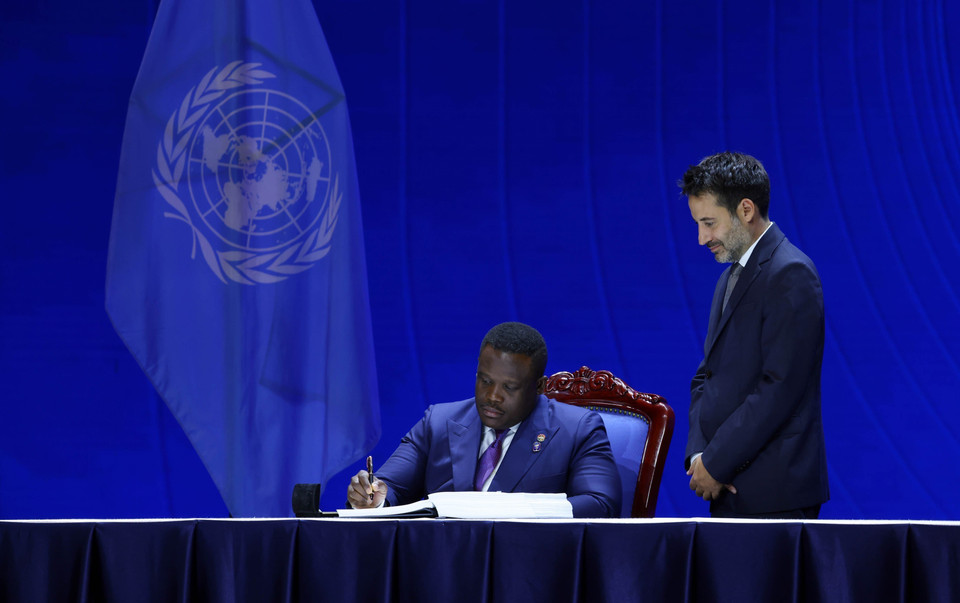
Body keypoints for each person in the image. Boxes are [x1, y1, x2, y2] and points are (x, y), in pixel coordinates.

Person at [679, 152, 829, 518]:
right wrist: (701, 457)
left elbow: (780, 386)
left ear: (746, 210)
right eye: (698, 224)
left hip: (773, 492)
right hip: (725, 485)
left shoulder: (790, 272)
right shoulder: (729, 276)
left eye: (709, 223)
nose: (702, 238)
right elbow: (706, 375)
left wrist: (717, 462)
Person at [347, 322, 621, 518]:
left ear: (539, 386)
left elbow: (601, 504)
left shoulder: (577, 430)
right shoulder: (439, 422)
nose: (492, 396)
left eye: (509, 388)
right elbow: (391, 486)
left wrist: (511, 510)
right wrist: (373, 498)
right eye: (485, 380)